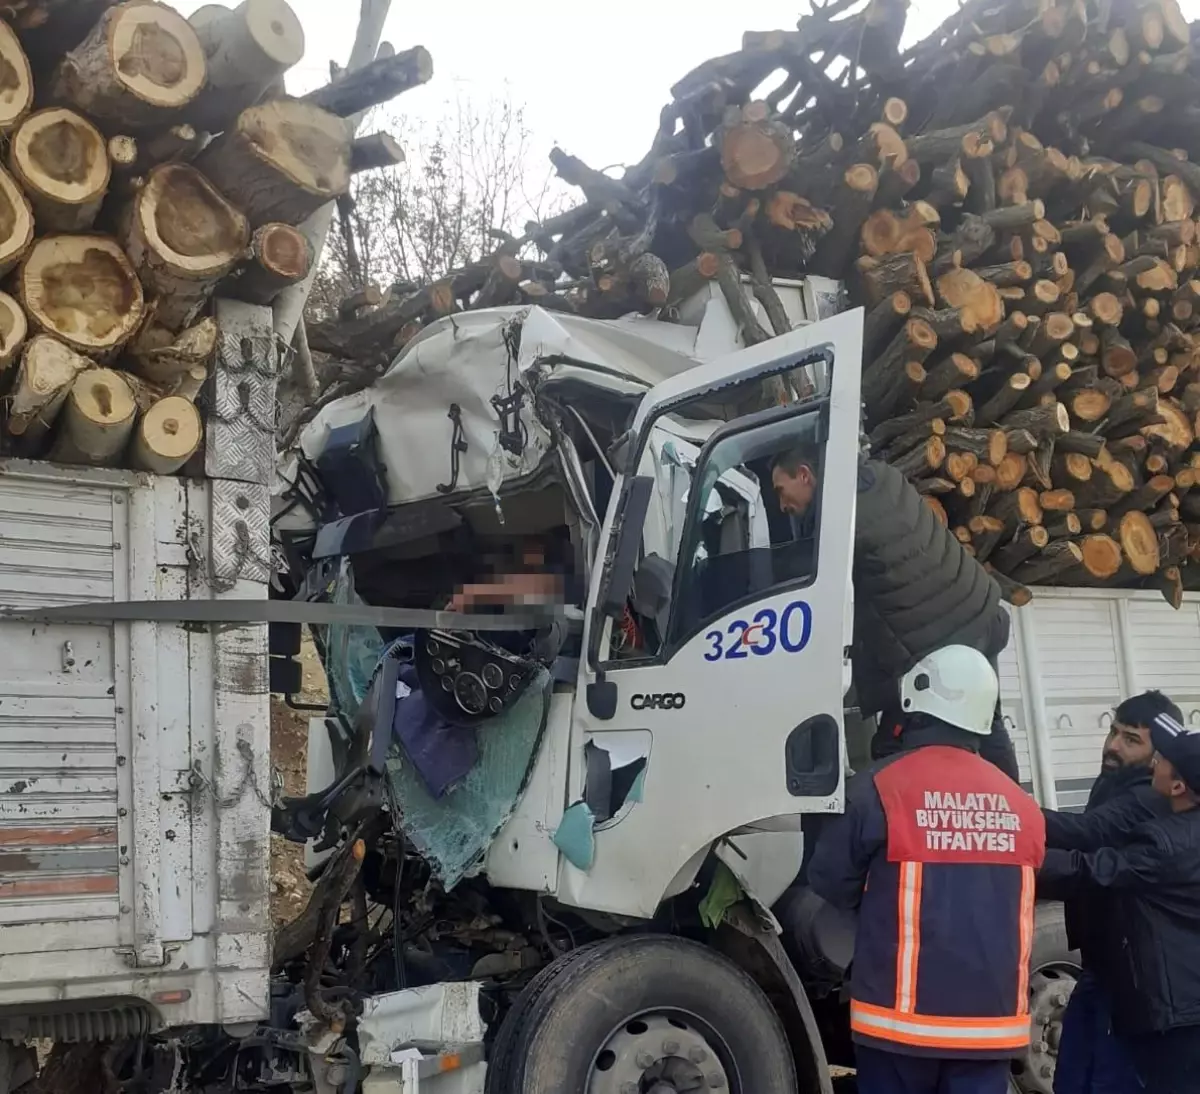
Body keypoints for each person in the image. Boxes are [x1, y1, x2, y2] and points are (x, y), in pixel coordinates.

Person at [807, 645, 1046, 1094]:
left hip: (900, 1027)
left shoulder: (878, 789)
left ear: (915, 701)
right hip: (989, 1029)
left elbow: (830, 882)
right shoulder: (1021, 805)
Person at [772, 449, 1019, 780]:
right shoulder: (876, 476)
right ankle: (1014, 817)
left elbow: (816, 585)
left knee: (892, 747)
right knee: (986, 724)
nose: (781, 505)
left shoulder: (839, 515)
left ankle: (908, 823)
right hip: (976, 610)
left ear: (804, 475)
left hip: (949, 635)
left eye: (780, 491)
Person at [1038, 709, 1200, 1094]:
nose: (1156, 760)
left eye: (1163, 759)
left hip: (1175, 1010)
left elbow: (1088, 870)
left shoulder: (1168, 841)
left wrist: (1001, 846)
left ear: (1178, 786)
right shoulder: (1168, 824)